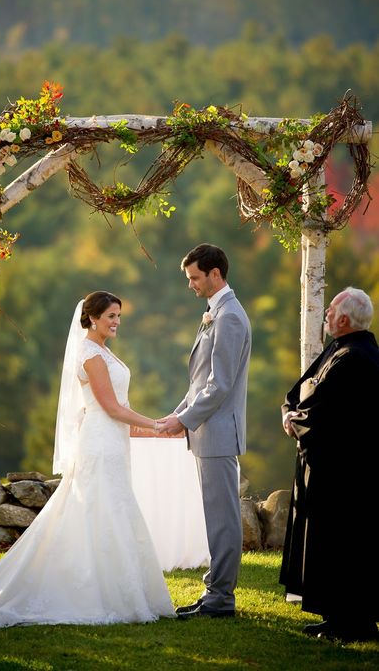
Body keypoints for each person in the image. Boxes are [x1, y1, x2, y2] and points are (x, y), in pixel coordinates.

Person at [0, 291, 175, 626]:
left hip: (112, 441)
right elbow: (111, 407)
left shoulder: (104, 351)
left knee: (112, 509)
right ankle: (94, 591)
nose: (117, 322)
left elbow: (118, 408)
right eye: (111, 316)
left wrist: (154, 429)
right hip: (100, 444)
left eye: (119, 316)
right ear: (92, 318)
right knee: (99, 509)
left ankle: (120, 589)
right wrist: (157, 424)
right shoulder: (90, 354)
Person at [280, 287, 379, 643]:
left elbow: (327, 412)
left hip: (345, 473)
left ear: (343, 319)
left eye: (330, 310)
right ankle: (335, 616)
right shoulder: (338, 349)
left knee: (344, 547)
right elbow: (300, 390)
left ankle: (354, 622)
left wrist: (296, 419)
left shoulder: (356, 358)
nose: (325, 316)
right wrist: (291, 411)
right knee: (326, 544)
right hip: (323, 466)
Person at [158, 243, 251, 619]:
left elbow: (220, 385)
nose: (191, 285)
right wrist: (176, 414)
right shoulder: (217, 311)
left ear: (216, 274)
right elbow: (201, 382)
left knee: (223, 518)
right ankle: (215, 589)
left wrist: (184, 420)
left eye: (195, 277)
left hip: (217, 433)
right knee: (215, 516)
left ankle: (220, 599)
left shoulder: (228, 317)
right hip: (207, 430)